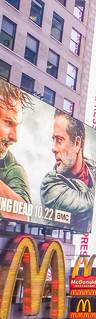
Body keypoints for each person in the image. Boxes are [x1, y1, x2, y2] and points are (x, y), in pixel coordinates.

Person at [40, 110, 96, 231]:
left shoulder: (92, 167)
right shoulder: (49, 185)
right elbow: (90, 202)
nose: (53, 148)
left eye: (59, 140)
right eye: (53, 140)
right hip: (60, 240)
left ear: (77, 143)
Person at [0, 80, 32, 219]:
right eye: (8, 123)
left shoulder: (12, 168)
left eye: (16, 125)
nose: (15, 137)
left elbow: (22, 215)